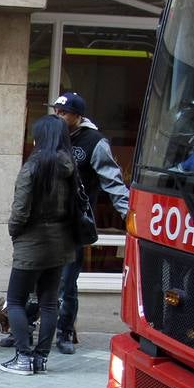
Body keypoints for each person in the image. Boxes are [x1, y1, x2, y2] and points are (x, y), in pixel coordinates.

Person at [52, 92, 129, 355]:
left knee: (66, 281)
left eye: (64, 113)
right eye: (56, 111)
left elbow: (113, 181)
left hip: (74, 222)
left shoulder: (95, 142)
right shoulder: (52, 136)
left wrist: (129, 214)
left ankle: (64, 333)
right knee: (37, 277)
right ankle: (26, 329)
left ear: (78, 116)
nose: (59, 116)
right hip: (47, 222)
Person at [1, 114, 77, 375]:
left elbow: (20, 211)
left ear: (40, 138)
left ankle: (23, 357)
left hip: (31, 241)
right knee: (49, 303)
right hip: (60, 242)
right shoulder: (69, 168)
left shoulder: (32, 168)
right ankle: (40, 360)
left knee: (15, 300)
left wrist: (14, 232)